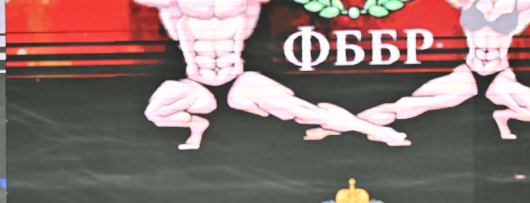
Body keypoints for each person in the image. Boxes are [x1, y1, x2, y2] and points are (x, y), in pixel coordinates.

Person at [135, 0, 408, 149]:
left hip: (238, 79)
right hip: (196, 83)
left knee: (306, 111)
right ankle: (196, 125)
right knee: (155, 113)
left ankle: (376, 130)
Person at [356, 0, 530, 140]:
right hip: (469, 73)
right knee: (408, 106)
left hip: (500, 76)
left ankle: (502, 117)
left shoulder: (523, 5)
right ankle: (351, 124)